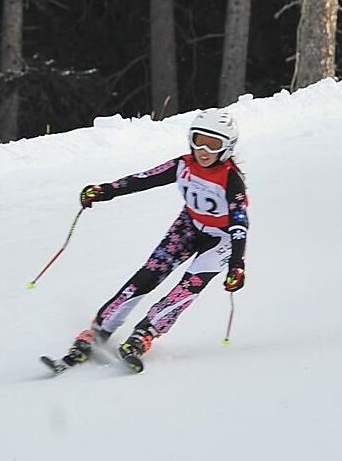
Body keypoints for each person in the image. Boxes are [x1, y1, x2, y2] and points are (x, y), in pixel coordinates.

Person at [62, 109, 249, 372]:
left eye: (213, 144)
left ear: (227, 147)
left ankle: (145, 333)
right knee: (148, 275)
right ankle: (100, 329)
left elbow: (240, 221)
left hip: (221, 239)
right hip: (188, 226)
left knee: (188, 287)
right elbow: (143, 179)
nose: (204, 150)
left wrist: (237, 263)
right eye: (199, 140)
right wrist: (105, 191)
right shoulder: (183, 165)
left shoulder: (231, 179)